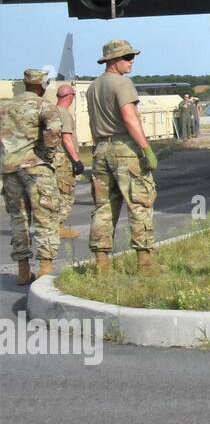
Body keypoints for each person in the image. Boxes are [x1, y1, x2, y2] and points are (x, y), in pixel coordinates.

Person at [86, 39, 158, 274]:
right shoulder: (122, 83)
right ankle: (145, 264)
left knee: (103, 208)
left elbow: (92, 122)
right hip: (125, 149)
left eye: (132, 57)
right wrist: (146, 148)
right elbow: (129, 118)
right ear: (113, 60)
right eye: (127, 58)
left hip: (101, 150)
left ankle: (101, 265)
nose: (132, 62)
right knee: (139, 204)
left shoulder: (93, 87)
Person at [1, 69, 63, 284]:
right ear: (42, 85)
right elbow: (54, 130)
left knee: (18, 218)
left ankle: (23, 270)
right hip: (35, 168)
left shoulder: (5, 106)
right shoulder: (43, 105)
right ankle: (45, 267)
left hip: (9, 169)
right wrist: (47, 155)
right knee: (45, 216)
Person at [53, 83, 85, 239]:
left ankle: (52, 226)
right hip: (64, 159)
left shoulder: (50, 112)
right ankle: (58, 227)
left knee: (55, 194)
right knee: (66, 194)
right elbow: (66, 139)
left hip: (52, 159)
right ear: (69, 96)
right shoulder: (64, 114)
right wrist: (77, 160)